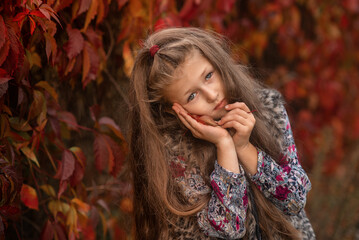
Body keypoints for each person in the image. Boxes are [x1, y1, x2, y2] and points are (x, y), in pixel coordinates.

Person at [128, 27, 315, 239]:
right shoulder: (174, 157)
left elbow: (294, 200)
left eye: (208, 76)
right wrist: (225, 146)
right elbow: (229, 228)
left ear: (218, 62)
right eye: (192, 96)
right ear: (174, 110)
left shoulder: (267, 109)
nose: (212, 95)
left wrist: (244, 147)